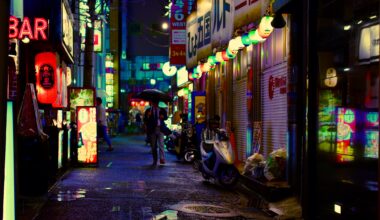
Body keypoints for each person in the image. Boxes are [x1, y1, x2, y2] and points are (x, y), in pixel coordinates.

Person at [145, 101, 168, 166]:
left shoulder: (162, 110)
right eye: (153, 103)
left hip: (160, 128)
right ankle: (155, 160)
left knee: (161, 144)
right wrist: (148, 116)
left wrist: (163, 117)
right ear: (151, 103)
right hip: (152, 130)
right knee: (153, 146)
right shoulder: (148, 110)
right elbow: (145, 120)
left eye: (156, 103)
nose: (155, 104)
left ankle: (162, 158)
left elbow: (166, 117)